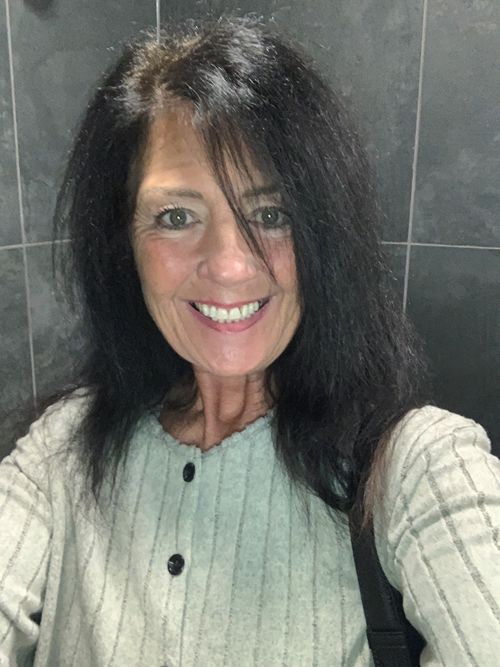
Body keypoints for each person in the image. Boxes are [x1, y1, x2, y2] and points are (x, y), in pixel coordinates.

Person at [1, 14, 499, 667]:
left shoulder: (418, 464)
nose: (231, 266)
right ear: (124, 244)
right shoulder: (61, 451)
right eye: (176, 216)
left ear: (324, 235)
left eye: (271, 214)